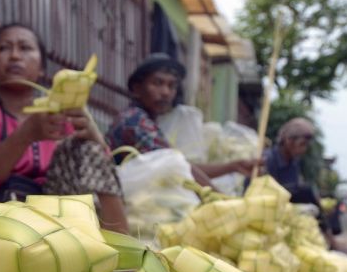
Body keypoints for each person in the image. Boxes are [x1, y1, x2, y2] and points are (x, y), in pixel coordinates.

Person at [0, 23, 128, 233]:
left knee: (89, 149)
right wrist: (26, 134)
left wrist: (94, 136)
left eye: (25, 48)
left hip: (56, 220)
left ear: (42, 66)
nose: (15, 55)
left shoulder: (60, 113)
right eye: (4, 48)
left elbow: (103, 173)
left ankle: (124, 252)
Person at [106, 53, 259, 185]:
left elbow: (181, 167)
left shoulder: (146, 120)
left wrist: (234, 166)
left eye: (171, 85)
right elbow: (178, 167)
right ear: (137, 89)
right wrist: (219, 198)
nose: (166, 92)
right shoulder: (135, 121)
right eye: (158, 83)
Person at [265, 118, 347, 256]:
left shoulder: (293, 161)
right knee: (307, 192)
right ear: (288, 141)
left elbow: (296, 185)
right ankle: (332, 243)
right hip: (272, 201)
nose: (304, 149)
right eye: (302, 144)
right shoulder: (269, 160)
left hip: (288, 198)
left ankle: (331, 237)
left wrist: (319, 201)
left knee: (329, 198)